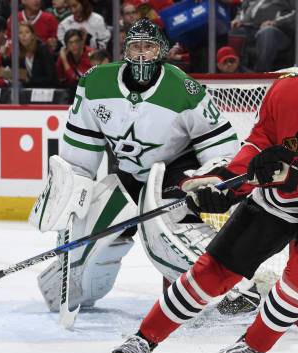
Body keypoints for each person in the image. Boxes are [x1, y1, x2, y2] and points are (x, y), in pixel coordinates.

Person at [107, 21, 298, 353]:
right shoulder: (285, 92)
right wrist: (226, 181)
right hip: (279, 202)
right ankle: (143, 339)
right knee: (210, 275)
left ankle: (251, 345)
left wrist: (297, 176)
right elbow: (259, 144)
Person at [29, 19, 246, 321]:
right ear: (125, 50)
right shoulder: (95, 83)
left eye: (149, 47)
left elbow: (221, 148)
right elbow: (78, 157)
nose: (142, 54)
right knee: (86, 241)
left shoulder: (185, 89)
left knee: (169, 231)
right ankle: (73, 287)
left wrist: (212, 179)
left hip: (175, 171)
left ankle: (235, 288)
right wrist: (71, 195)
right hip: (129, 174)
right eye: (135, 46)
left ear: (163, 51)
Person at [17, 21, 56, 87]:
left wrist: (30, 81)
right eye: (20, 33)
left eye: (27, 32)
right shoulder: (19, 53)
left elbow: (50, 78)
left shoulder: (42, 49)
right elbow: (22, 75)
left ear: (32, 35)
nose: (24, 35)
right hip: (30, 91)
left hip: (48, 90)